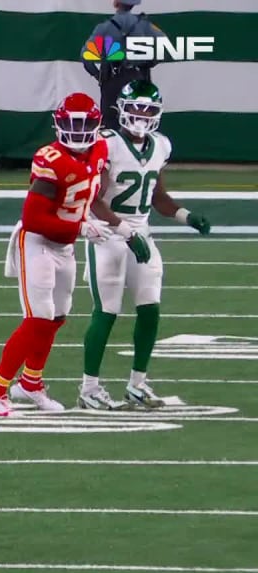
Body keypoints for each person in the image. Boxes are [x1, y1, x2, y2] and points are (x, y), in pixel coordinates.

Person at [0, 92, 145, 418]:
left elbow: (94, 199)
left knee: (55, 318)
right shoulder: (49, 159)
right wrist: (81, 229)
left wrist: (124, 230)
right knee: (38, 318)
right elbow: (34, 218)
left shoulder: (98, 152)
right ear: (59, 125)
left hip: (64, 244)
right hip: (39, 242)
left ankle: (31, 383)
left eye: (85, 126)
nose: (80, 133)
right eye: (73, 125)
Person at [78, 81, 212, 410]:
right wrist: (125, 232)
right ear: (121, 110)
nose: (140, 115)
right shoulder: (106, 144)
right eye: (135, 108)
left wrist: (186, 216)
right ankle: (89, 389)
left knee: (150, 308)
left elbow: (158, 197)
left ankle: (138, 384)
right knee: (106, 311)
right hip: (107, 233)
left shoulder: (161, 146)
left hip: (141, 232)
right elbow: (93, 201)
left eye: (147, 110)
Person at [82, 0, 165, 129]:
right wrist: (149, 63)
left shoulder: (104, 28)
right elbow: (164, 47)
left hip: (112, 81)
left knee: (111, 126)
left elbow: (86, 57)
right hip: (139, 80)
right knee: (140, 123)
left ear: (116, 3)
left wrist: (98, 76)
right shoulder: (145, 26)